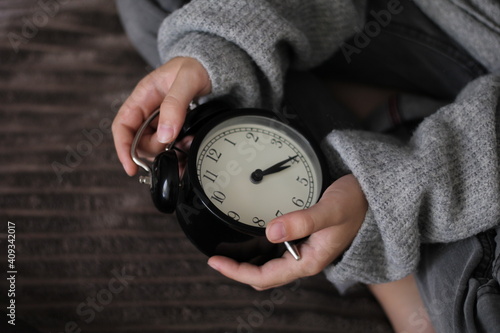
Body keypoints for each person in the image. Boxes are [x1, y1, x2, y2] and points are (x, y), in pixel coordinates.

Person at [112, 0, 500, 332]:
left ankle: (371, 163)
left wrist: (387, 196)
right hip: (443, 17)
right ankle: (366, 137)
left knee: (482, 315)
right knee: (160, 14)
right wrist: (223, 43)